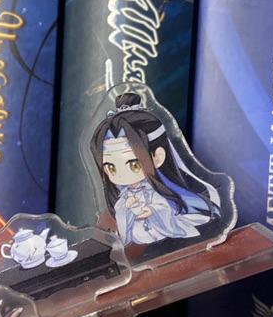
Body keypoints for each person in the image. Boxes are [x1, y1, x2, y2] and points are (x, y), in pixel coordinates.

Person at [90, 92, 220, 248]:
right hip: (141, 244)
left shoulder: (159, 190)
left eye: (134, 165)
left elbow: (166, 205)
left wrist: (152, 210)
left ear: (158, 156)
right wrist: (126, 208)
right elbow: (120, 213)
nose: (123, 175)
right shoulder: (124, 194)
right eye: (111, 167)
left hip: (170, 234)